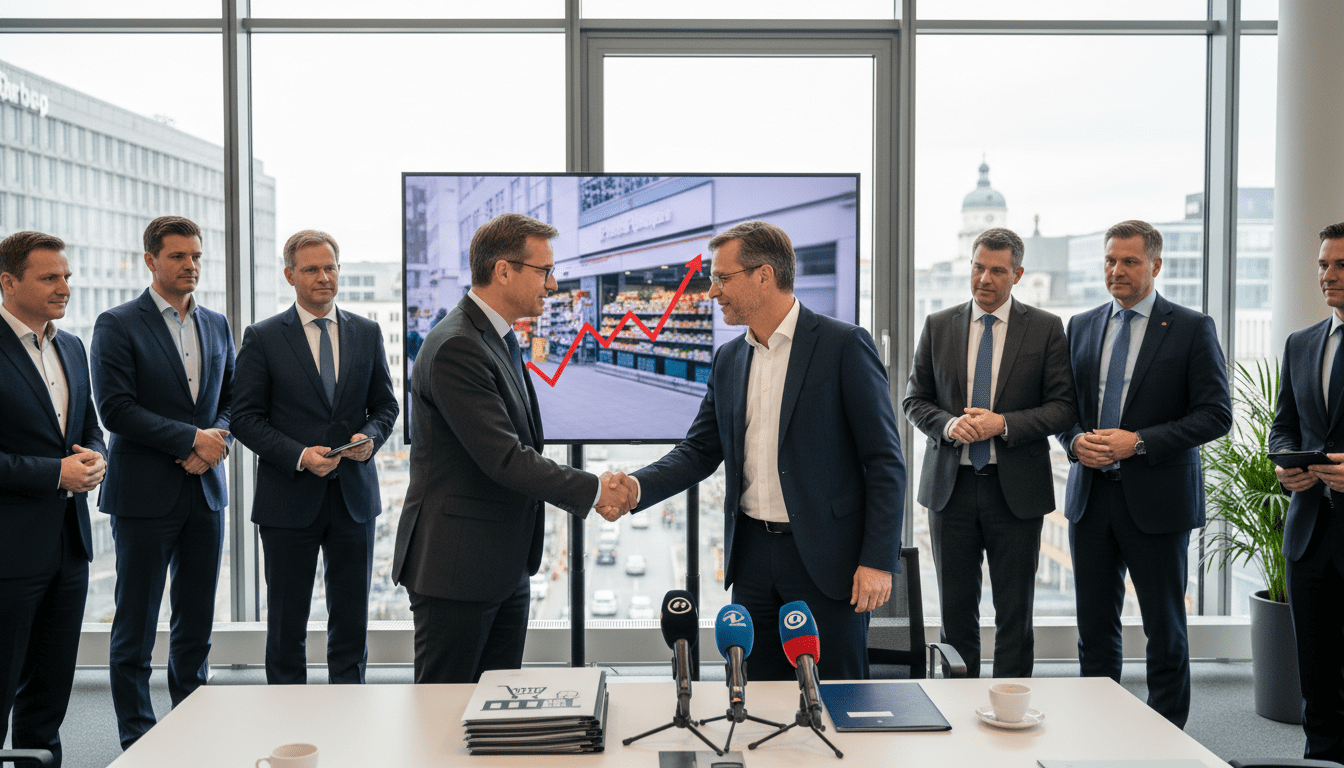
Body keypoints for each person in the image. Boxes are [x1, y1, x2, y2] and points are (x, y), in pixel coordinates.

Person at [607, 220, 906, 681]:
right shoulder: (729, 358)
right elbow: (699, 450)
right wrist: (635, 488)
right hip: (752, 560)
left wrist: (877, 561)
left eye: (722, 278)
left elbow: (885, 461)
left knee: (836, 697)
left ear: (764, 276)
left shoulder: (843, 346)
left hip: (828, 562)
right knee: (753, 695)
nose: (712, 291)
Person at [391, 212, 633, 685]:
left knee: (495, 708)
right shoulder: (458, 345)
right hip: (458, 570)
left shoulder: (497, 337)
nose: (553, 284)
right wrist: (595, 490)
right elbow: (504, 457)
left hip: (501, 565)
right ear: (503, 270)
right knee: (444, 710)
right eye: (545, 271)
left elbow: (520, 445)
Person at [1057, 219, 1231, 728]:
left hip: (1158, 501)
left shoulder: (1192, 327)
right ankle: (1099, 731)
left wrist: (1138, 442)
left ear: (1155, 265)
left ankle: (1167, 739)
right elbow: (1064, 407)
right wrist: (1074, 441)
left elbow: (1216, 415)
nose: (1117, 270)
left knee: (1165, 630)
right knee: (1095, 630)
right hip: (1091, 499)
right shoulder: (1082, 324)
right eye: (1110, 260)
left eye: (1129, 261)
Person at [903, 227, 1076, 679]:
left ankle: (1009, 707)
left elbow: (1063, 408)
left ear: (1017, 274)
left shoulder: (1045, 328)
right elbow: (914, 400)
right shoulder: (938, 325)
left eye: (997, 270)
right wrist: (947, 425)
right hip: (950, 489)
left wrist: (1004, 424)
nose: (984, 279)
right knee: (955, 613)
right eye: (978, 267)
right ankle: (958, 705)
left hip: (1015, 491)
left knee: (1015, 613)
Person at [90, 216, 235, 749]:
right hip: (144, 496)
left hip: (205, 493)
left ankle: (190, 731)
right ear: (151, 260)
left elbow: (233, 400)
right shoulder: (117, 323)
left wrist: (215, 440)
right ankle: (138, 739)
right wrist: (191, 440)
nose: (190, 265)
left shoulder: (216, 324)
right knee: (136, 625)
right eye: (178, 256)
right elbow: (115, 409)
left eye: (196, 256)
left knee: (195, 624)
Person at [231, 230, 399, 685]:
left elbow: (386, 406)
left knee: (352, 620)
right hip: (288, 500)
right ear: (290, 275)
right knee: (287, 623)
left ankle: (349, 705)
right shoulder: (263, 337)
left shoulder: (367, 332)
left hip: (353, 499)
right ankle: (288, 714)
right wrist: (300, 455)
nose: (323, 277)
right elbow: (244, 418)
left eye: (330, 267)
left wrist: (371, 436)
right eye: (311, 269)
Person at [0, 231, 106, 767]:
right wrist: (54, 474)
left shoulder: (72, 347)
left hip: (69, 550)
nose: (64, 287)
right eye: (49, 278)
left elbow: (89, 431)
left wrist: (98, 460)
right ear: (8, 281)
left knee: (48, 701)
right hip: (9, 554)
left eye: (66, 276)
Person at [1268, 221, 1344, 763]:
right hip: (1309, 534)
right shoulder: (1301, 343)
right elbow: (1284, 427)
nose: (1328, 275)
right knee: (1316, 677)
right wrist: (1285, 465)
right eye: (1322, 264)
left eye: (1341, 265)